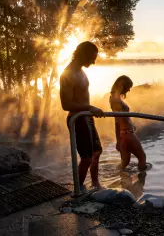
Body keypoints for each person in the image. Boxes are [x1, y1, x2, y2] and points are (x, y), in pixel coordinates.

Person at [60, 41, 104, 190]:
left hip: (86, 116)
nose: (93, 61)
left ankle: (95, 184)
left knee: (97, 151)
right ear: (83, 54)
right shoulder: (68, 73)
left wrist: (89, 110)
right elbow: (66, 104)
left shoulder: (80, 71)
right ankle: (78, 190)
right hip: (78, 119)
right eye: (92, 57)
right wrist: (90, 107)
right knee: (86, 158)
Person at [109, 75, 148, 171]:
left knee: (125, 162)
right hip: (127, 134)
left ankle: (122, 182)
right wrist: (118, 141)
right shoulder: (116, 100)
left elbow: (122, 118)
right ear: (122, 86)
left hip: (124, 134)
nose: (129, 90)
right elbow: (117, 121)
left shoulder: (114, 97)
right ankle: (142, 182)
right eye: (128, 87)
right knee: (142, 157)